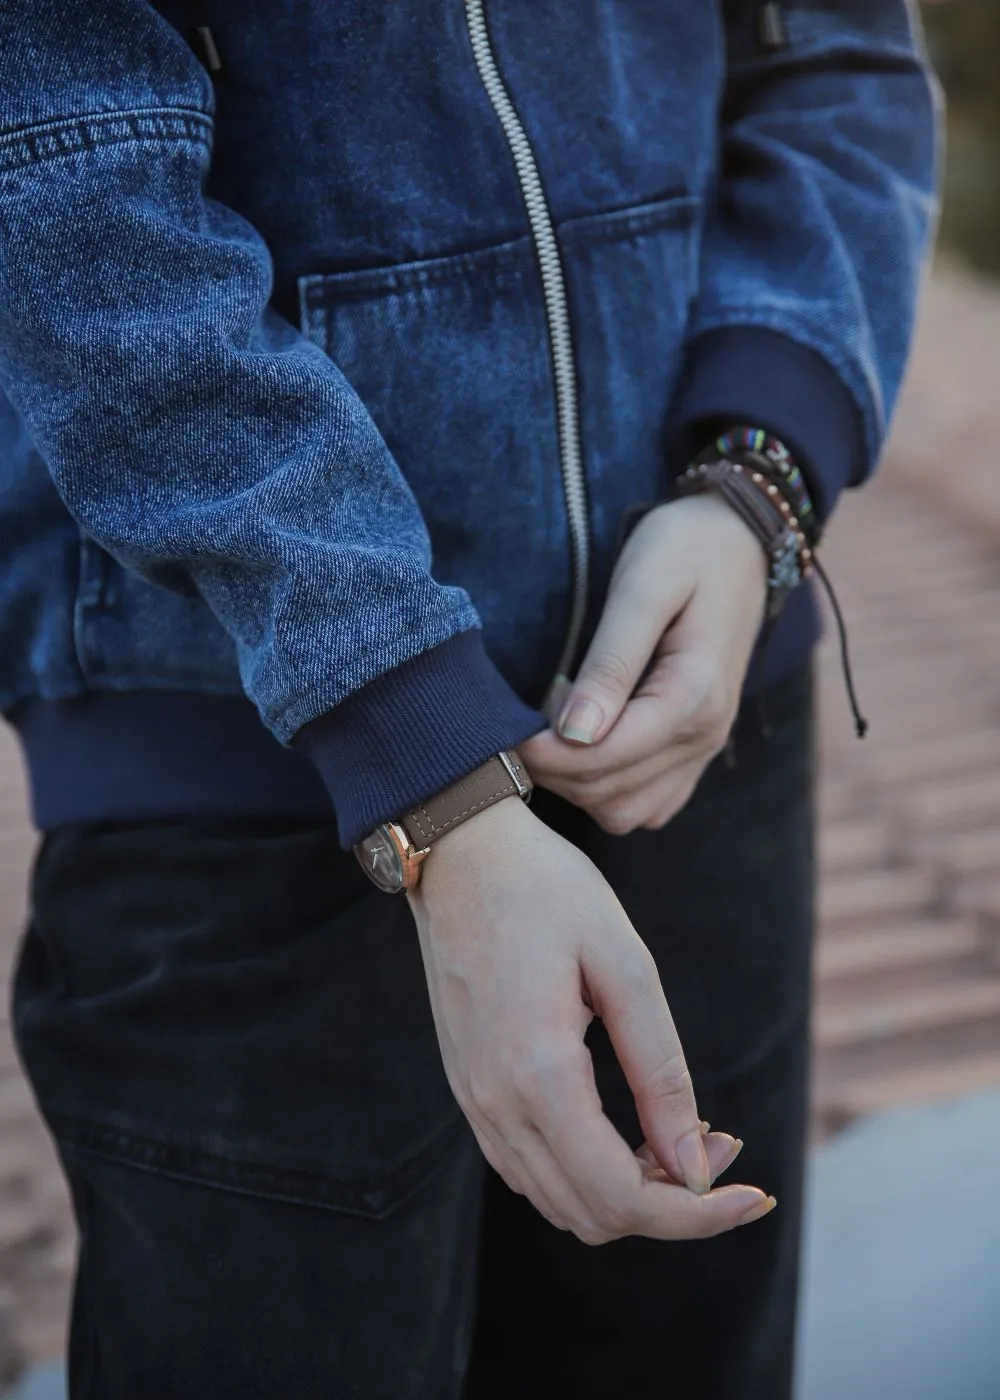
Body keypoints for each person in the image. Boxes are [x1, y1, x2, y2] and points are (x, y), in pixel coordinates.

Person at [0, 2, 937, 1396]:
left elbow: (841, 61)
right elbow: (70, 189)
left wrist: (758, 483)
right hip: (237, 791)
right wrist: (424, 757)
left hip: (693, 726)